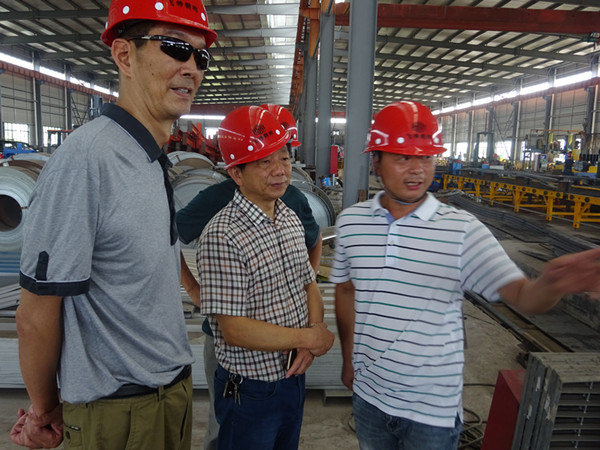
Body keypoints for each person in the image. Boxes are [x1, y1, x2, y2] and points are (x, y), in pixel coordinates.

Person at [331, 101, 600, 450]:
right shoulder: (351, 223)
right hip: (369, 397)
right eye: (403, 157)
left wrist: (551, 284)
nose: (417, 170)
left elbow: (522, 296)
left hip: (431, 411)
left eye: (426, 158)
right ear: (376, 162)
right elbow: (346, 291)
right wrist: (349, 358)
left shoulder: (462, 230)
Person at [9, 1, 217, 448]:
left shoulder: (148, 156)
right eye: (175, 47)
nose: (192, 67)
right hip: (119, 412)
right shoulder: (87, 161)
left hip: (170, 394)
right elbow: (36, 314)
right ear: (124, 55)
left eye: (201, 55)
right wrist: (44, 409)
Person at [176, 104, 322, 450]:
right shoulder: (223, 234)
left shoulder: (287, 215)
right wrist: (308, 337)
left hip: (293, 373)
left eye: (284, 158)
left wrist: (312, 332)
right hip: (251, 384)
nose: (280, 171)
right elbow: (235, 330)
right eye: (264, 162)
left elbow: (308, 282)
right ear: (237, 174)